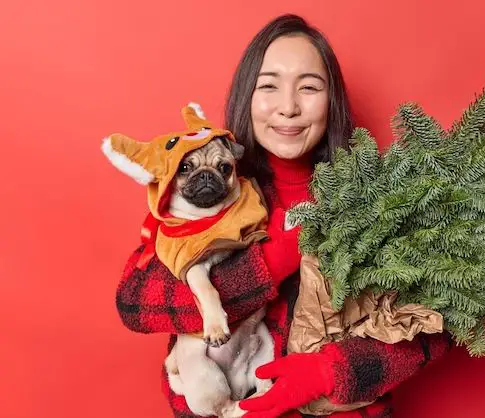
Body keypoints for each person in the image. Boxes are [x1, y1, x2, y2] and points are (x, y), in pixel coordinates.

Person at [115, 13, 453, 418]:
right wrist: (269, 263)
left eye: (309, 87)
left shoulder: (376, 195)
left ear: (332, 100)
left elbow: (437, 323)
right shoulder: (211, 196)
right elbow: (135, 302)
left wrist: (330, 372)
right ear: (247, 97)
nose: (288, 108)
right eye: (269, 86)